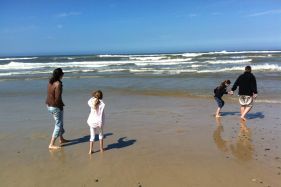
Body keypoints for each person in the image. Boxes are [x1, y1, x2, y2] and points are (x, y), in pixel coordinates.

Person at [46, 68, 69, 149]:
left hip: (48, 104)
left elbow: (49, 94)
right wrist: (60, 107)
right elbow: (58, 98)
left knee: (59, 122)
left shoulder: (51, 82)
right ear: (60, 75)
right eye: (62, 73)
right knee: (58, 125)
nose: (63, 75)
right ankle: (51, 144)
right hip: (55, 106)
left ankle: (61, 139)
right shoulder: (58, 84)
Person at [87, 90, 105, 154]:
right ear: (101, 96)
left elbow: (89, 100)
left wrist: (93, 97)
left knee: (92, 136)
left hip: (92, 122)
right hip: (98, 122)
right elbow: (100, 115)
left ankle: (90, 150)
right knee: (101, 135)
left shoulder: (91, 101)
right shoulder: (101, 104)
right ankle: (101, 149)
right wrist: (100, 123)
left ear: (94, 95)